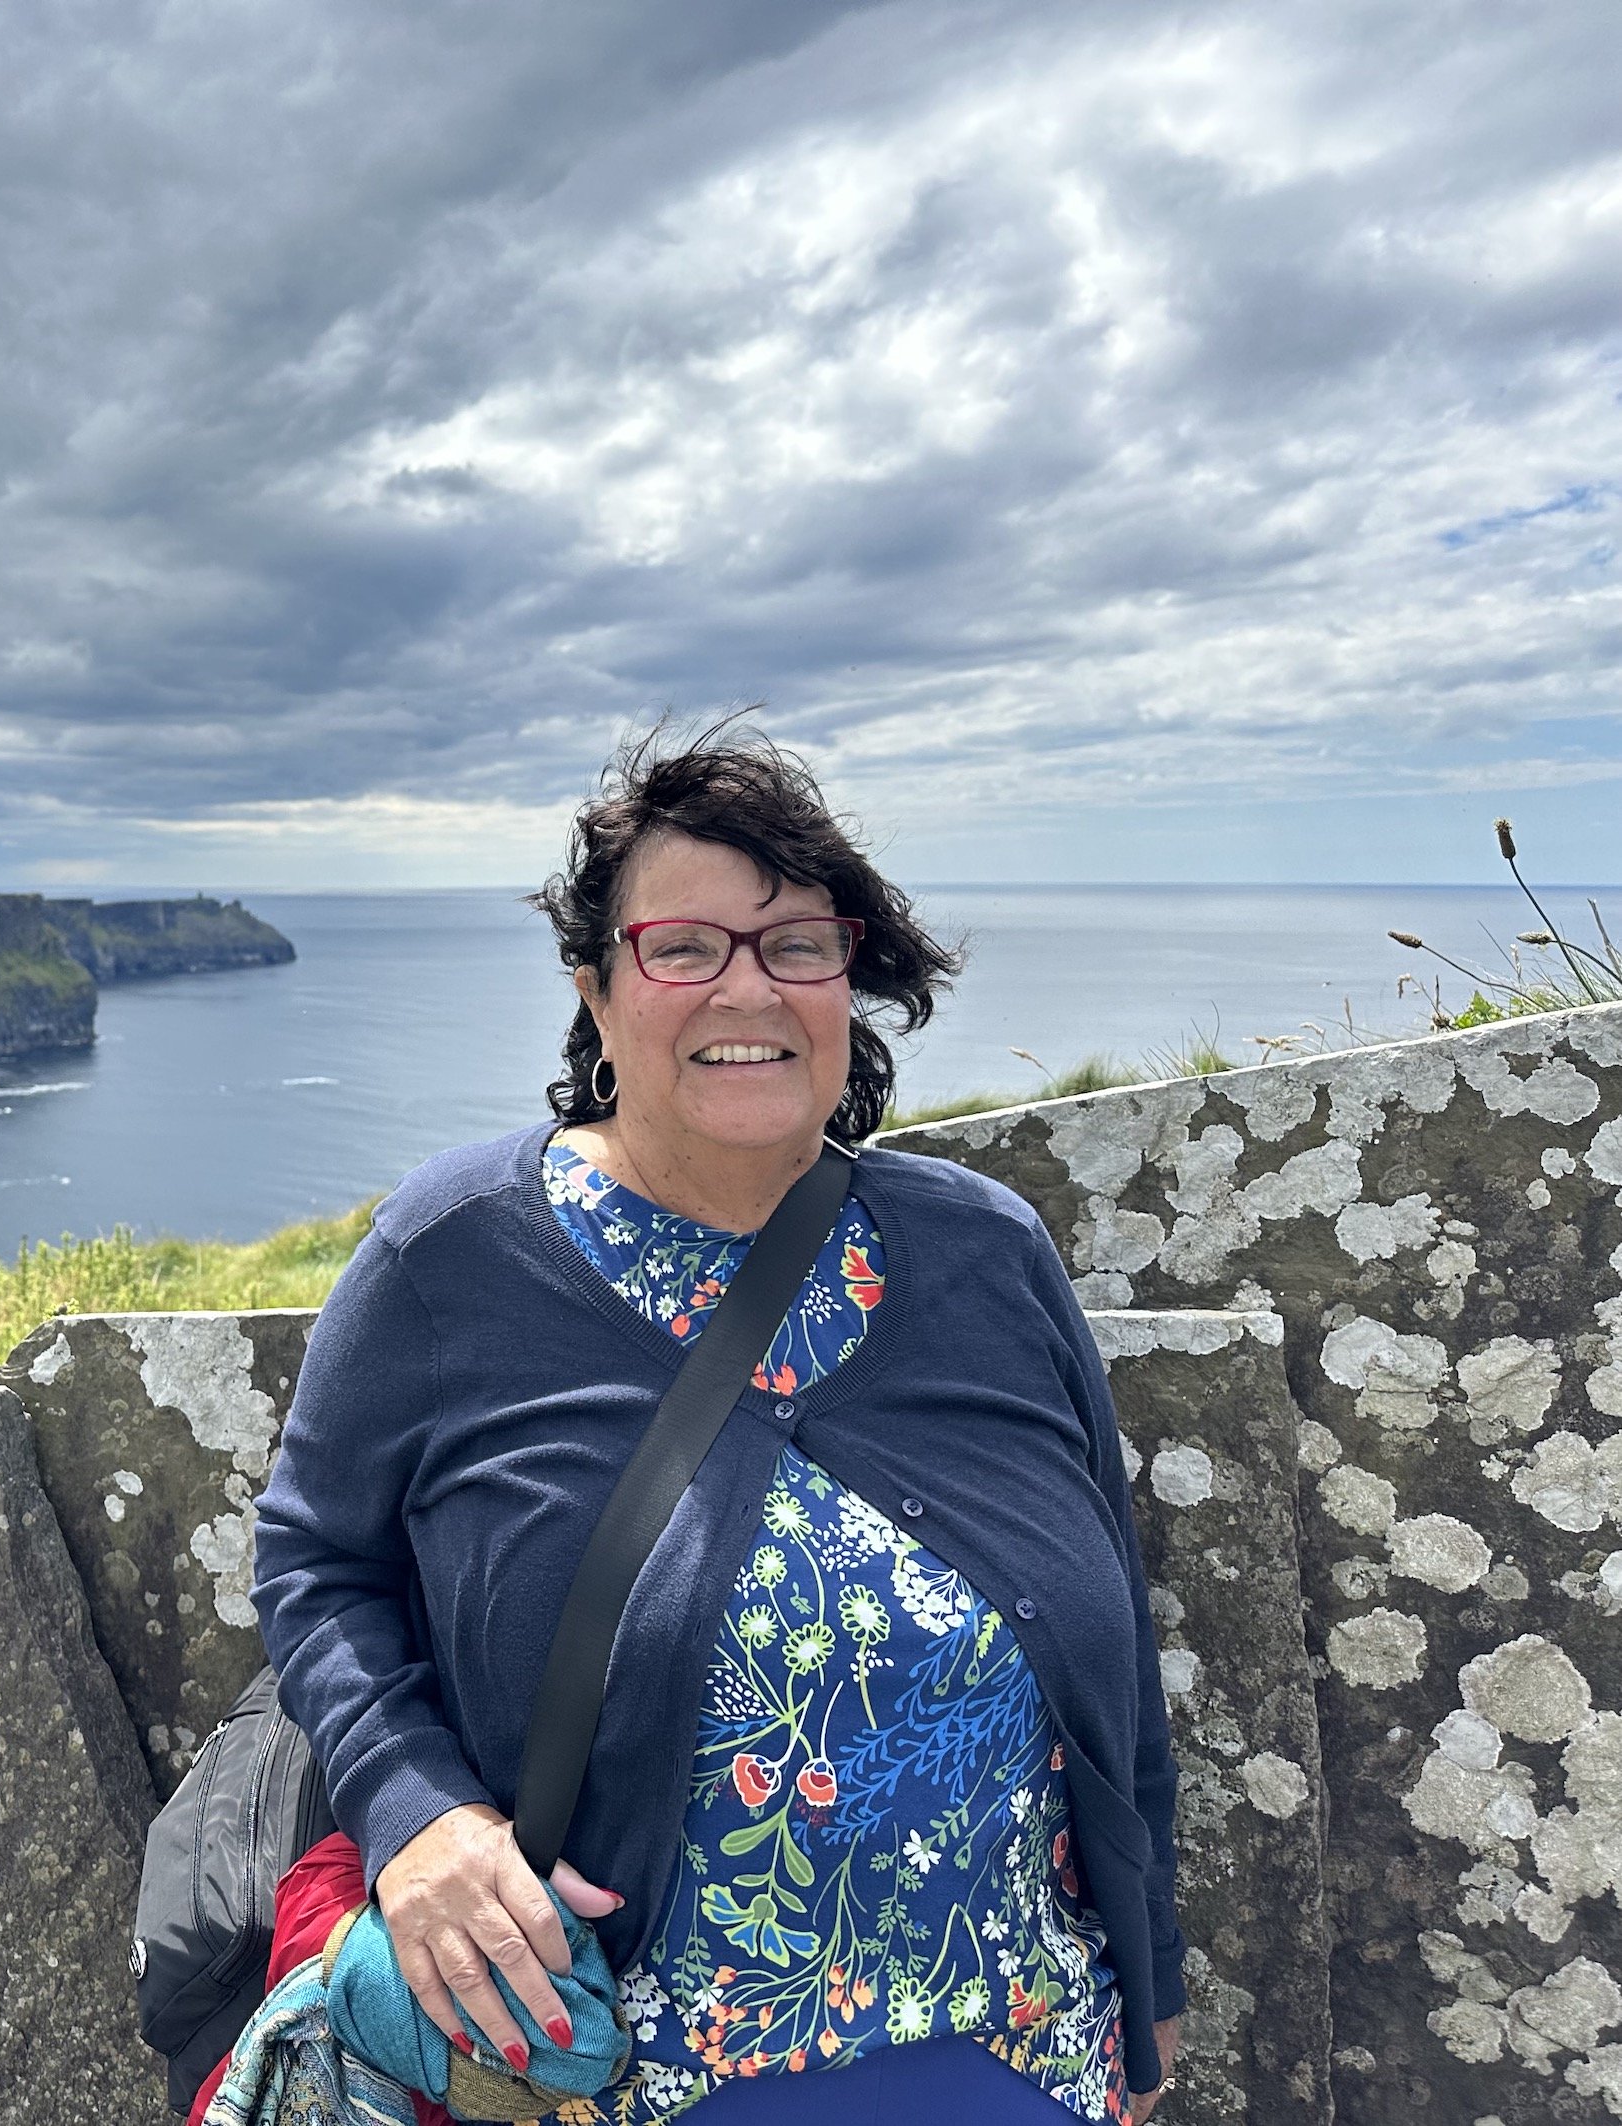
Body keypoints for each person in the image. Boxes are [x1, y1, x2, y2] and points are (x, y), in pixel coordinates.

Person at [251, 725, 1185, 2125]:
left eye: (796, 943)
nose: (746, 984)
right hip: (637, 2073)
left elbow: (1110, 1610)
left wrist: (1149, 1988)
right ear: (596, 985)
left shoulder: (988, 1252)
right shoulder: (448, 1259)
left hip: (1025, 2052)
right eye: (683, 944)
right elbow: (314, 1563)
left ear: (846, 985)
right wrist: (418, 1815)